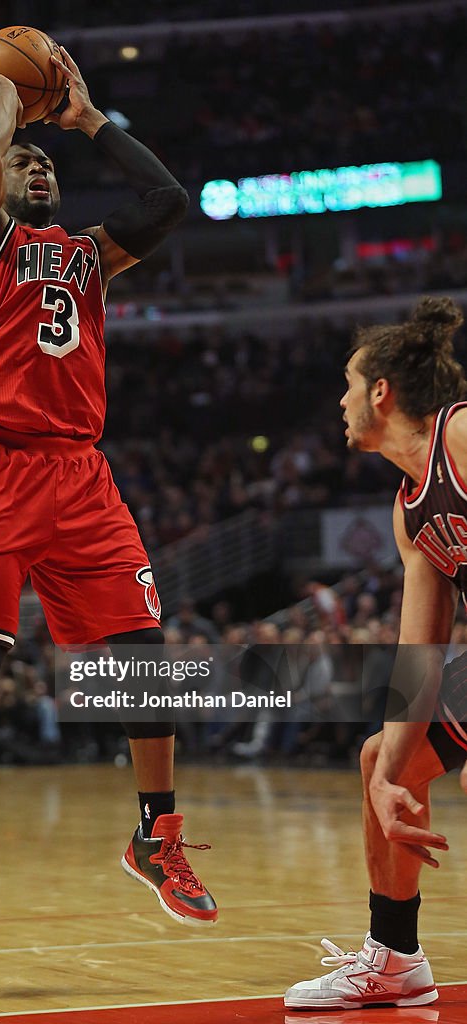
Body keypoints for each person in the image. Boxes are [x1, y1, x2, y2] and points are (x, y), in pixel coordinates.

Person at [0, 46, 216, 956]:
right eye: (25, 161)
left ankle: (156, 836)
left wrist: (85, 123)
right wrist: (0, 107)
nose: (36, 170)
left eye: (48, 167)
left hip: (81, 477)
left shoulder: (89, 257)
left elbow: (168, 203)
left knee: (142, 654)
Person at [285, 296, 467, 1009]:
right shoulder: (411, 504)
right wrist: (393, 779)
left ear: (381, 392)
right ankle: (394, 957)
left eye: (349, 384)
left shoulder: (461, 435)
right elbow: (421, 646)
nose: (341, 400)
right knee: (379, 760)